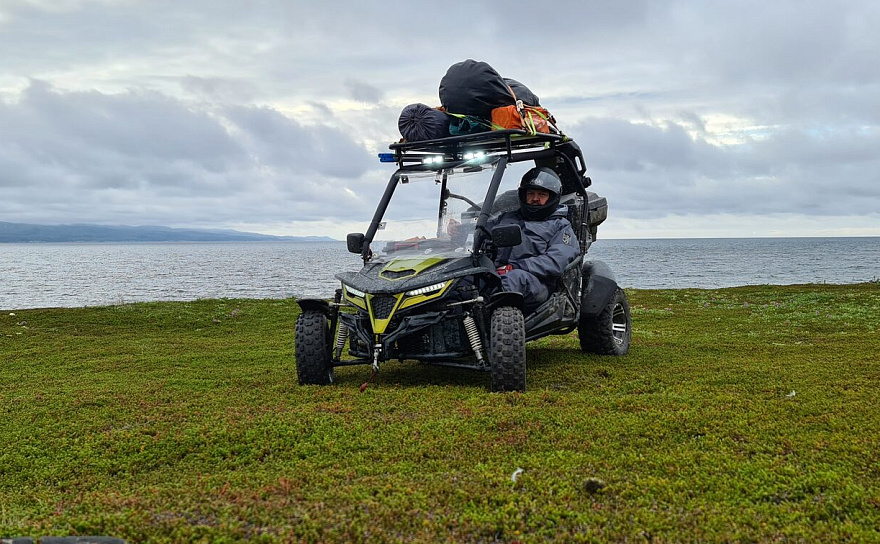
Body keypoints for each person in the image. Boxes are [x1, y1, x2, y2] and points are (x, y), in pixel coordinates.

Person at [490, 167, 580, 313]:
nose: (535, 198)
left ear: (551, 197)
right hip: (497, 273)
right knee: (462, 281)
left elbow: (556, 261)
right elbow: (480, 233)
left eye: (542, 194)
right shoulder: (505, 218)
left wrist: (515, 267)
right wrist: (458, 231)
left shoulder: (560, 226)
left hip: (537, 283)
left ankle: (490, 328)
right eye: (531, 193)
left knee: (514, 279)